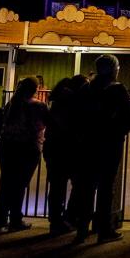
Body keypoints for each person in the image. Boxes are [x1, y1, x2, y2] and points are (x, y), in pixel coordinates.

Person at [72, 55, 130, 243]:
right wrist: (117, 132)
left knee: (86, 187)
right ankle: (104, 229)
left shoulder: (86, 89)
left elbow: (76, 115)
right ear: (114, 69)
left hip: (87, 143)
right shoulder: (117, 90)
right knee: (106, 187)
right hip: (109, 143)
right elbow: (127, 119)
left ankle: (82, 228)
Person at [0, 77, 50, 232]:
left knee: (6, 183)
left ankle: (0, 220)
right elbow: (48, 123)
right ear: (35, 89)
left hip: (7, 146)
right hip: (28, 147)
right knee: (19, 185)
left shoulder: (10, 105)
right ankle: (15, 219)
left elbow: (0, 124)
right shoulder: (38, 106)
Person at [45, 77, 82, 235]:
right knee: (78, 184)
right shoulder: (73, 103)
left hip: (53, 148)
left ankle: (56, 219)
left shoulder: (57, 102)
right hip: (68, 148)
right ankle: (69, 217)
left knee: (56, 186)